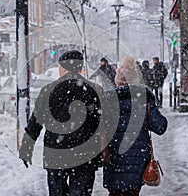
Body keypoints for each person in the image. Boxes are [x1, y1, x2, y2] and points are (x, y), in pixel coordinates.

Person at [19, 50, 103, 196]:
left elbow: (36, 122)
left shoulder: (48, 90)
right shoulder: (94, 90)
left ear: (63, 67)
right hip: (84, 153)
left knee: (57, 191)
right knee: (81, 192)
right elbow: (102, 124)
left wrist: (27, 148)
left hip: (56, 153)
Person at [103, 56, 168, 196]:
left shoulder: (107, 101)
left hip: (113, 156)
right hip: (137, 159)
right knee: (132, 192)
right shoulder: (144, 100)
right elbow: (161, 127)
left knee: (115, 192)